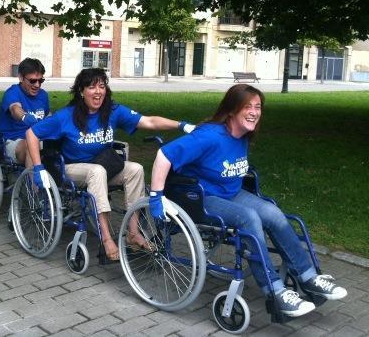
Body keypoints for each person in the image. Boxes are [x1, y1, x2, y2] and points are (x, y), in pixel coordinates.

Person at [148, 84, 347, 318]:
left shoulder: (242, 134)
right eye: (247, 106)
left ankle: (308, 276)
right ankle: (275, 290)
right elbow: (164, 155)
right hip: (202, 198)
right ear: (232, 110)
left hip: (231, 193)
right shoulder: (210, 136)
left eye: (258, 107)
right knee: (249, 218)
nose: (254, 112)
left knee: (272, 212)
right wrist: (156, 197)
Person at [25, 68, 195, 262]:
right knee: (97, 172)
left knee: (135, 169)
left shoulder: (112, 111)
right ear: (81, 91)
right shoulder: (66, 116)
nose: (98, 91)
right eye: (91, 87)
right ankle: (106, 237)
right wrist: (38, 168)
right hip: (72, 169)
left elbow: (149, 121)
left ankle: (132, 233)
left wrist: (181, 125)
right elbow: (32, 133)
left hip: (102, 165)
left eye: (102, 86)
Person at [0, 58, 50, 165]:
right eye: (32, 81)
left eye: (40, 81)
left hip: (39, 138)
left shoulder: (43, 95)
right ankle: (32, 181)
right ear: (21, 77)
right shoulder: (13, 92)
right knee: (31, 144)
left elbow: (48, 115)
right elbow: (15, 109)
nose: (37, 85)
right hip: (14, 141)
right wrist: (24, 116)